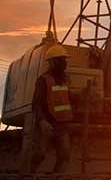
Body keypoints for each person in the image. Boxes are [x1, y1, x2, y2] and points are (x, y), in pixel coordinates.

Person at [31, 43, 73, 173]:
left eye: (64, 60)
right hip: (48, 123)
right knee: (40, 155)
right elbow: (36, 104)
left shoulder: (65, 79)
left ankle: (56, 176)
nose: (64, 63)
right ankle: (28, 174)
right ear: (53, 62)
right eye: (61, 60)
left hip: (62, 125)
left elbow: (65, 96)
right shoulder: (43, 80)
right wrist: (42, 122)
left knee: (64, 154)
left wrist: (80, 96)